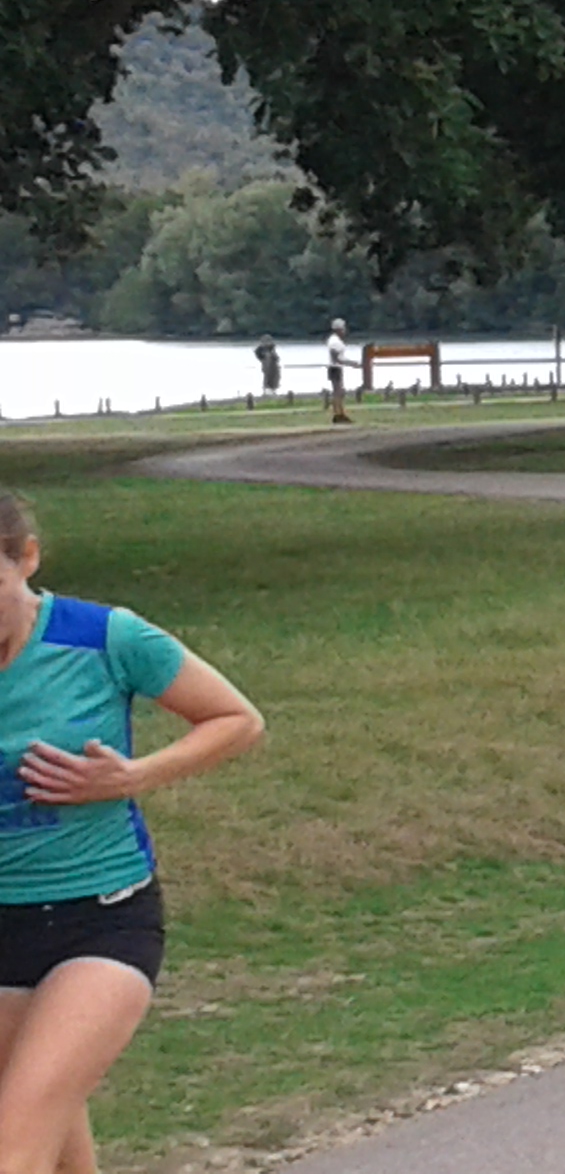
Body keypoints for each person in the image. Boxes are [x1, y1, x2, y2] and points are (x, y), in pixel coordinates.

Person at [0, 491, 266, 1174]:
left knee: (12, 1148)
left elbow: (236, 720)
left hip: (100, 920)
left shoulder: (104, 637)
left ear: (26, 559)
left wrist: (132, 777)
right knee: (51, 1146)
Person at [323, 319, 355, 424]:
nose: (344, 331)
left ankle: (340, 413)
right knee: (338, 392)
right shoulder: (334, 341)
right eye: (342, 329)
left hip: (336, 367)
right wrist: (351, 363)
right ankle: (337, 414)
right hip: (335, 368)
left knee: (339, 392)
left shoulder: (336, 340)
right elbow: (336, 358)